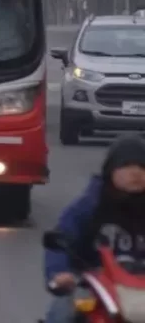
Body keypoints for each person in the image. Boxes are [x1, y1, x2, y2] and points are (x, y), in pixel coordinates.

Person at [43, 135, 145, 323]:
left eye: (142, 167)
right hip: (95, 289)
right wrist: (60, 274)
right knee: (62, 314)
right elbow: (61, 238)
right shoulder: (90, 205)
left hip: (141, 291)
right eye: (127, 165)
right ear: (111, 170)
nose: (136, 173)